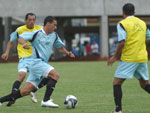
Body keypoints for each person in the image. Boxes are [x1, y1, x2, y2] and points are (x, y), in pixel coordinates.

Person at [0, 16, 75, 108]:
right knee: (55, 75)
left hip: (41, 65)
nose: (55, 27)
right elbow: (20, 38)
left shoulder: (54, 35)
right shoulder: (36, 33)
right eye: (54, 25)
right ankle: (46, 100)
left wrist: (67, 52)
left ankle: (1, 100)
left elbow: (59, 47)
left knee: (25, 91)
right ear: (48, 24)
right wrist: (24, 44)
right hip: (35, 62)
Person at [107, 3, 150, 113]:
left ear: (123, 12)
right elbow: (148, 38)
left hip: (129, 58)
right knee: (144, 84)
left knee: (117, 83)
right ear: (134, 13)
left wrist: (114, 57)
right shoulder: (142, 23)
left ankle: (118, 110)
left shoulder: (122, 23)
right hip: (142, 58)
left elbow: (122, 42)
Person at [1, 13, 47, 105]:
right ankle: (13, 97)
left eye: (33, 20)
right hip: (24, 58)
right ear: (25, 20)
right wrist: (6, 52)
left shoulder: (39, 29)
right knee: (21, 75)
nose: (31, 22)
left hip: (36, 59)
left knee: (49, 76)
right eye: (29, 20)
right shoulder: (19, 30)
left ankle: (33, 90)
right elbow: (11, 42)